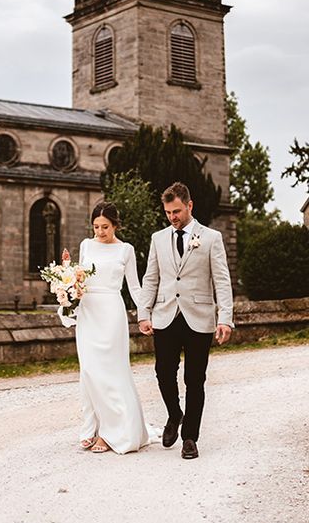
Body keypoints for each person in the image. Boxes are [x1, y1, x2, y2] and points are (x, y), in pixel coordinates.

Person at [138, 182, 234, 460]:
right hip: (165, 315)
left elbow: (222, 281)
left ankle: (190, 437)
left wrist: (225, 318)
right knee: (163, 373)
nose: (172, 217)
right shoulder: (158, 239)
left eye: (177, 211)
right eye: (168, 212)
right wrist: (144, 313)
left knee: (195, 379)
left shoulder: (212, 238)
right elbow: (151, 279)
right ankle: (174, 414)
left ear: (189, 205)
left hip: (199, 317)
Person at [75, 201, 150, 454]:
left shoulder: (125, 250)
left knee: (111, 371)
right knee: (88, 371)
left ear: (115, 225)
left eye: (105, 227)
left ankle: (110, 433)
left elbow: (135, 287)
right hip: (88, 313)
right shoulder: (86, 245)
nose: (100, 231)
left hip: (111, 313)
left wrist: (145, 314)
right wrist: (69, 291)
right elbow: (79, 280)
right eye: (96, 226)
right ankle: (90, 428)